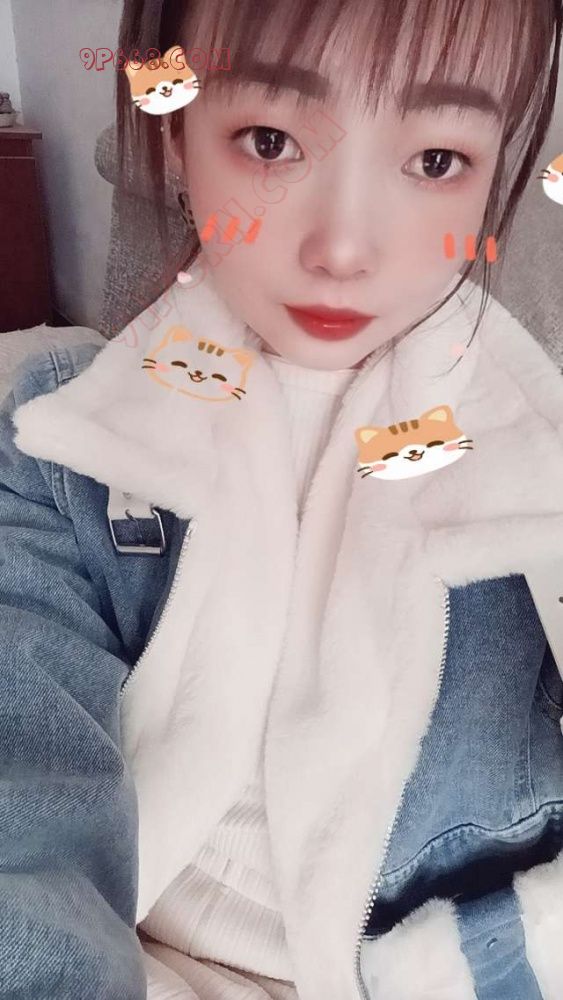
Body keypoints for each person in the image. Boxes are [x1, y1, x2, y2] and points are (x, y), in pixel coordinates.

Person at [2, 0, 563, 998]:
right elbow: (22, 802)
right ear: (173, 134)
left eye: (435, 161)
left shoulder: (536, 462)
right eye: (270, 141)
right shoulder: (60, 440)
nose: (342, 249)